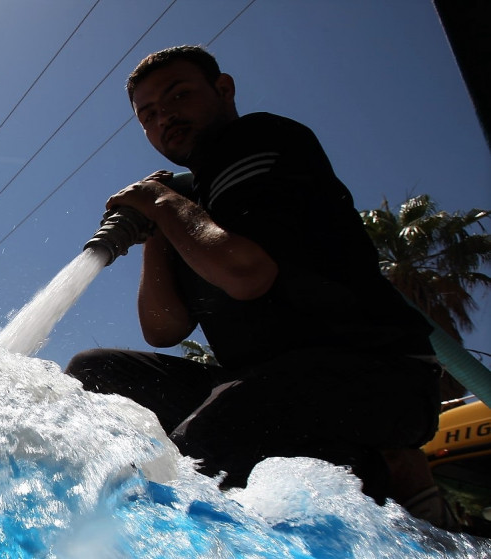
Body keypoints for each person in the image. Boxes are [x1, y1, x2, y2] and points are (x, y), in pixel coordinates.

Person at [65, 45, 458, 530]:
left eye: (179, 95)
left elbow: (247, 275)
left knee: (209, 443)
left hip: (376, 375)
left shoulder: (259, 140)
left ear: (223, 90)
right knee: (94, 371)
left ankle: (380, 472)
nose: (165, 116)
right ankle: (363, 463)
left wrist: (161, 203)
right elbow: (163, 329)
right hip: (261, 383)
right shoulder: (183, 202)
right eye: (148, 114)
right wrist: (156, 229)